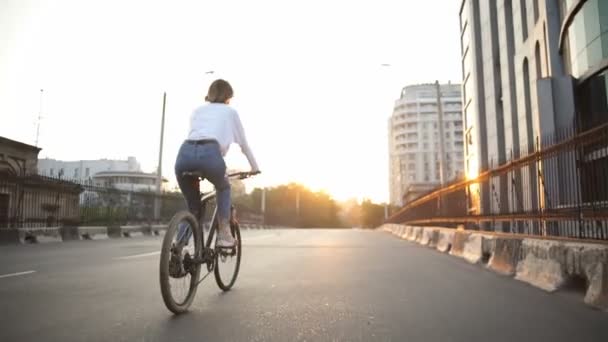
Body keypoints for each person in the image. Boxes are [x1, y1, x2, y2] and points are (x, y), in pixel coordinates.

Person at [175, 79, 260, 247]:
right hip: (210, 155)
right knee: (224, 187)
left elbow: (197, 136)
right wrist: (255, 168)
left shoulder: (197, 111)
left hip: (184, 155)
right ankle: (224, 234)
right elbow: (243, 144)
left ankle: (177, 247)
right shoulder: (230, 112)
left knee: (193, 208)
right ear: (228, 96)